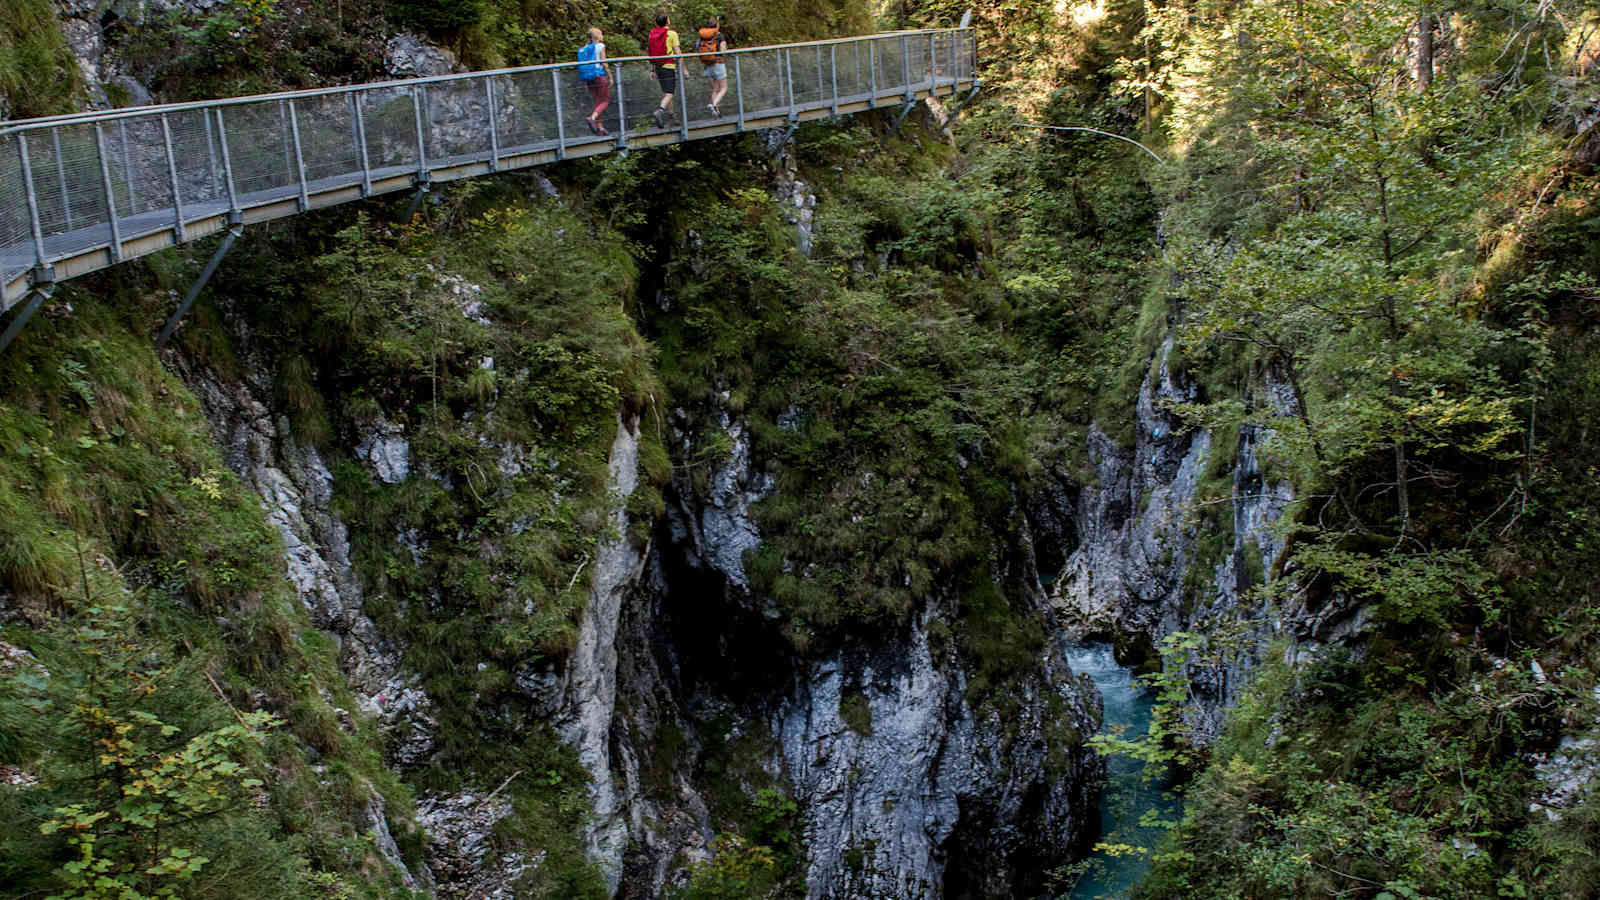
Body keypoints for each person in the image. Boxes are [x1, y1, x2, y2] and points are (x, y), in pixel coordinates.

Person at [647, 13, 681, 129]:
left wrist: (652, 69)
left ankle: (672, 116)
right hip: (669, 66)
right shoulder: (672, 34)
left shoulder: (652, 34)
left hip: (658, 66)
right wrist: (684, 68)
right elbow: (678, 52)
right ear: (667, 22)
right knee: (670, 93)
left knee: (667, 93)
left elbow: (651, 52)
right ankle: (660, 111)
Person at [576, 27, 610, 135]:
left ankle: (600, 128)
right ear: (598, 36)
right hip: (599, 75)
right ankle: (592, 118)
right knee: (605, 101)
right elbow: (604, 63)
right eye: (601, 33)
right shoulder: (600, 46)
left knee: (597, 101)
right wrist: (610, 76)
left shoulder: (585, 48)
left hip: (589, 77)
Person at [696, 18, 729, 117]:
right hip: (718, 64)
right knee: (724, 88)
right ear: (717, 26)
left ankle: (716, 112)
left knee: (715, 89)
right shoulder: (719, 36)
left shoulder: (703, 37)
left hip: (707, 65)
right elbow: (723, 51)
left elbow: (698, 48)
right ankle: (714, 105)